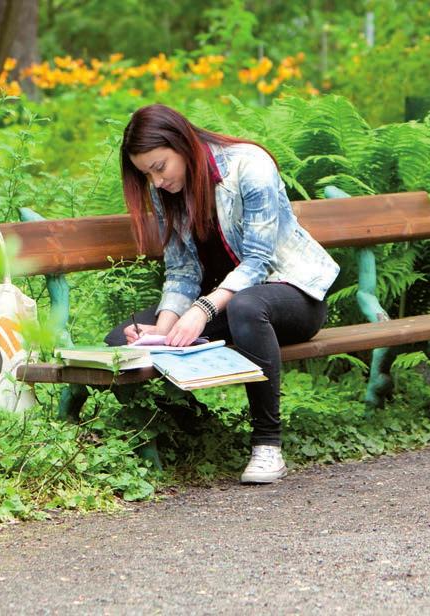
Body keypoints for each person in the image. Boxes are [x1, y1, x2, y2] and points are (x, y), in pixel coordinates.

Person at [104, 103, 339, 483]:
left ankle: (267, 445)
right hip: (225, 308)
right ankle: (197, 427)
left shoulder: (250, 165)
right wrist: (164, 332)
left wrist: (202, 309)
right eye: (147, 174)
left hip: (292, 295)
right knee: (121, 341)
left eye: (160, 167)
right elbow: (182, 271)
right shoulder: (168, 193)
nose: (157, 182)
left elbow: (258, 262)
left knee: (247, 305)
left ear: (182, 143)